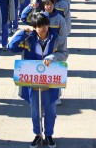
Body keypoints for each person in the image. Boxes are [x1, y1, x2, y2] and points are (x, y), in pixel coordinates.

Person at [9, 13, 68, 148]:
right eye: (40, 26)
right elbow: (12, 46)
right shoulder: (28, 39)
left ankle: (49, 134)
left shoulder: (56, 38)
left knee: (50, 110)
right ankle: (37, 134)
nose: (44, 28)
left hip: (50, 80)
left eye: (45, 25)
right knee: (35, 110)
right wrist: (22, 33)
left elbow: (64, 53)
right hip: (33, 81)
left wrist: (52, 57)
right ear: (34, 27)